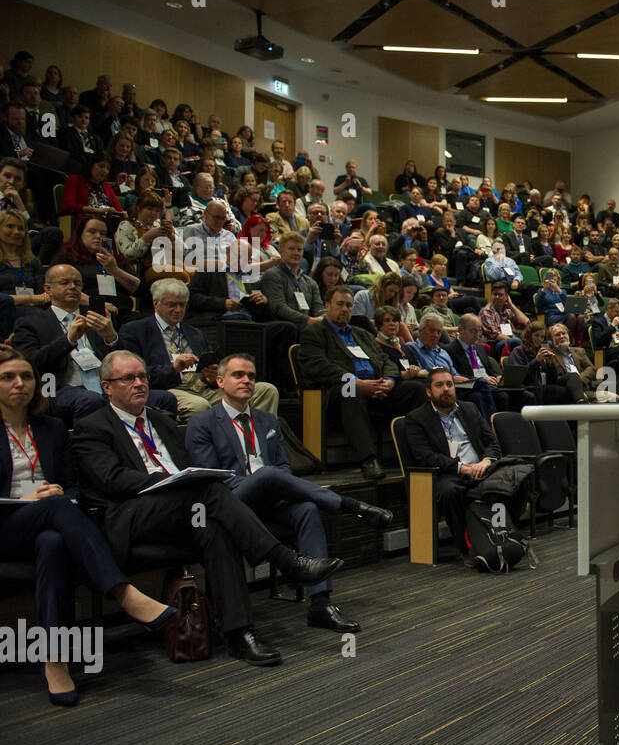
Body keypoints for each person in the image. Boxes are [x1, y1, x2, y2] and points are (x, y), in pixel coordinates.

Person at [73, 350, 343, 666]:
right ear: (106, 387)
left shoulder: (161, 419)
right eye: (128, 378)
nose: (139, 383)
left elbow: (187, 467)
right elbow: (111, 479)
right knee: (209, 494)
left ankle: (239, 633)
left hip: (182, 509)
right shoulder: (92, 426)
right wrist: (169, 482)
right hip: (131, 513)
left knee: (215, 526)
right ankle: (284, 559)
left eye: (143, 376)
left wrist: (183, 481)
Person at [0, 349, 178, 706]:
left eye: (27, 376)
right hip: (4, 526)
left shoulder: (50, 428)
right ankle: (124, 594)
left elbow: (76, 486)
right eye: (8, 377)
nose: (20, 383)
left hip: (49, 525)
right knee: (52, 509)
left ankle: (55, 661)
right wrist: (40, 500)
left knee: (53, 543)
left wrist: (60, 491)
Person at [185, 354, 392, 631]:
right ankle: (351, 506)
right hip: (230, 500)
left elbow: (283, 465)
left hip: (270, 497)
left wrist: (270, 485)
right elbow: (211, 479)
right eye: (238, 375)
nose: (247, 380)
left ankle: (320, 604)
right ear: (220, 381)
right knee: (267, 474)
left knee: (306, 509)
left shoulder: (268, 421)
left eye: (251, 375)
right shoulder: (203, 423)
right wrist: (261, 482)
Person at [11, 264, 178, 421]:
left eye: (77, 283)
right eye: (64, 283)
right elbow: (31, 363)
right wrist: (68, 340)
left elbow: (126, 361)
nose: (72, 287)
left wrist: (111, 338)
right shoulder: (31, 323)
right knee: (91, 400)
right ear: (48, 289)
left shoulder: (96, 319)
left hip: (109, 387)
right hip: (59, 388)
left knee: (166, 399)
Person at [295, 284, 427, 480]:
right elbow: (318, 367)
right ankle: (368, 460)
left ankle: (419, 453)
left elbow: (385, 360)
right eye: (340, 304)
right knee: (351, 391)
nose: (345, 309)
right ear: (327, 305)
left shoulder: (362, 333)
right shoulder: (314, 332)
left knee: (415, 389)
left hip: (377, 386)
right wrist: (357, 382)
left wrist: (389, 382)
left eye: (349, 305)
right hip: (336, 390)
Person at [118, 279, 279, 420]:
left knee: (266, 390)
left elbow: (211, 367)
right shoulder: (135, 331)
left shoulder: (196, 333)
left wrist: (214, 375)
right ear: (156, 303)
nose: (178, 310)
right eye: (172, 305)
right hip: (170, 389)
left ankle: (258, 445)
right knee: (199, 405)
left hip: (205, 388)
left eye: (182, 305)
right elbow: (136, 375)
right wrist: (173, 369)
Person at [404, 366, 503, 567]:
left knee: (509, 481)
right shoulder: (416, 419)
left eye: (449, 384)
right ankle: (464, 549)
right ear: (429, 392)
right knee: (450, 491)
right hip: (448, 472)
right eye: (439, 385)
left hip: (481, 468)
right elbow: (425, 456)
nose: (446, 389)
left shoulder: (470, 409)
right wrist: (462, 468)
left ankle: (504, 538)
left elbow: (492, 443)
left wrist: (486, 461)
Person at [508, 322, 583, 404]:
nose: (539, 339)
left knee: (573, 375)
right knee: (566, 392)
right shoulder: (518, 351)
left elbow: (552, 379)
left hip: (544, 385)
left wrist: (550, 364)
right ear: (529, 335)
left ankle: (581, 402)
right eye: (536, 335)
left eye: (542, 337)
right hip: (531, 387)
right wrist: (536, 361)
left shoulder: (543, 349)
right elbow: (518, 378)